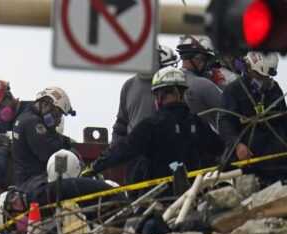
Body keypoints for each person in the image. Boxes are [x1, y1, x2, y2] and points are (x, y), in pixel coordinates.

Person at [86, 67, 225, 184]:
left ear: (159, 96)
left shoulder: (151, 125)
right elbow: (220, 148)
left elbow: (123, 149)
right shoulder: (198, 124)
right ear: (183, 93)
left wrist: (95, 167)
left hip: (159, 197)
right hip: (194, 195)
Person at [219, 51, 287, 184]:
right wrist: (237, 145)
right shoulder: (233, 90)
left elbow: (283, 119)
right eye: (259, 76)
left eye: (266, 77)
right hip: (251, 164)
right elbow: (225, 122)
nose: (264, 80)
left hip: (279, 161)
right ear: (249, 69)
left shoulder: (274, 89)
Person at [112, 45, 179, 145]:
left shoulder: (175, 88)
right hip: (135, 148)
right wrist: (116, 147)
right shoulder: (129, 85)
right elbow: (121, 124)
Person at [12, 87, 76, 186]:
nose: (58, 121)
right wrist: (68, 147)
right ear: (46, 104)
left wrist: (64, 140)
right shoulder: (33, 122)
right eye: (57, 114)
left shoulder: (25, 116)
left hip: (29, 181)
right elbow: (49, 152)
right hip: (34, 183)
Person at [176, 35, 223, 129]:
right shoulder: (202, 84)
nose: (207, 64)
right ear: (197, 58)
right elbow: (230, 111)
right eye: (205, 59)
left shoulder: (170, 81)